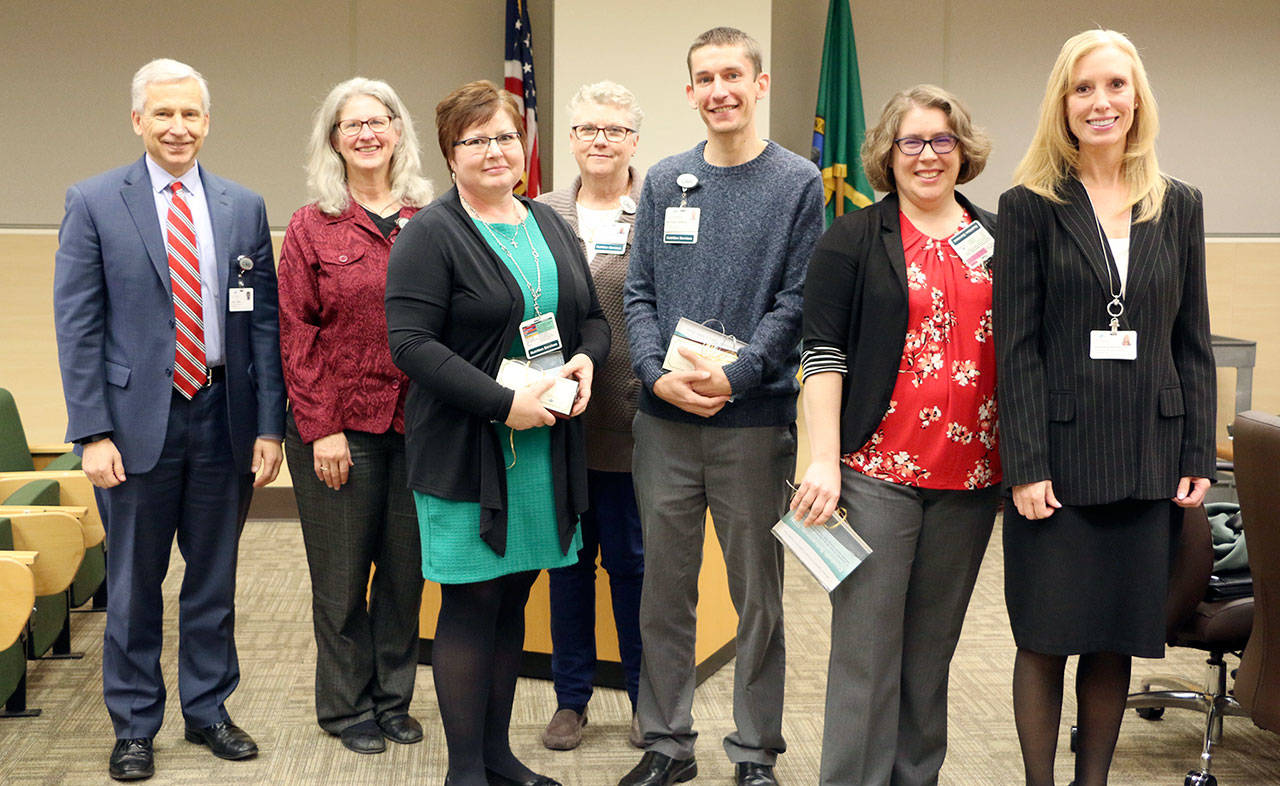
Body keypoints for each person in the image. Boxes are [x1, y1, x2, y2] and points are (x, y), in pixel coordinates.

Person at [52, 58, 285, 781]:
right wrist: (91, 431)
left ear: (207, 122)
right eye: (163, 114)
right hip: (131, 425)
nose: (178, 127)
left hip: (225, 416)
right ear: (138, 121)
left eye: (190, 114)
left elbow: (265, 324)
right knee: (132, 585)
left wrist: (270, 425)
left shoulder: (242, 206)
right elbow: (78, 325)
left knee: (212, 580)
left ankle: (209, 710)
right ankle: (134, 725)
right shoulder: (93, 201)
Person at [993, 29, 1215, 786]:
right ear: (1063, 102)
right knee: (1047, 636)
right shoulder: (1028, 205)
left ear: (1137, 98)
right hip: (1055, 464)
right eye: (1084, 88)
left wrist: (1195, 455)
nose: (1101, 102)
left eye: (1115, 86)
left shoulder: (1179, 204)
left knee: (1115, 638)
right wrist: (1024, 463)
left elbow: (1192, 342)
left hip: (1148, 458)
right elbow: (1015, 346)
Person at [385, 80, 610, 786]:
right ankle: (464, 772)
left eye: (505, 136)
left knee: (514, 598)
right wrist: (497, 403)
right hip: (467, 449)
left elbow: (592, 318)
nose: (494, 150)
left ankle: (498, 757)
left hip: (542, 447)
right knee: (471, 600)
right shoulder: (432, 232)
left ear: (524, 146)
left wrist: (587, 359)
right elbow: (411, 344)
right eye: (475, 140)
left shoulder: (546, 221)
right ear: (451, 154)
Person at [620, 27, 824, 786]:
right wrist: (651, 372)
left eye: (733, 75)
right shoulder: (666, 178)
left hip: (751, 423)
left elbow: (798, 300)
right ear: (691, 92)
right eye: (705, 79)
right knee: (663, 594)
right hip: (664, 424)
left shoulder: (798, 182)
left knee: (756, 600)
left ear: (760, 84)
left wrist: (737, 376)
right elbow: (638, 292)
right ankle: (667, 743)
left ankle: (755, 752)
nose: (719, 91)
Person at [791, 85, 999, 786]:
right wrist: (823, 460)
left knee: (930, 655)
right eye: (912, 141)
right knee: (866, 654)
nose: (929, 155)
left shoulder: (1000, 238)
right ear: (888, 152)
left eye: (943, 140)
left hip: (971, 481)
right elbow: (821, 352)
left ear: (963, 149)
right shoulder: (852, 237)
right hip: (877, 472)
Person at [277, 77, 433, 755]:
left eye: (378, 121)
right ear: (333, 141)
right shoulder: (313, 226)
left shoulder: (434, 218)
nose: (366, 134)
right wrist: (322, 428)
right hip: (341, 429)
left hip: (422, 428)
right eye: (351, 125)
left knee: (406, 574)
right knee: (342, 580)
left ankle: (392, 699)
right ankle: (346, 709)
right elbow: (296, 333)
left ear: (399, 131)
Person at [535, 80, 645, 752]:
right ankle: (570, 700)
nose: (599, 141)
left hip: (634, 427)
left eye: (613, 130)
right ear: (570, 139)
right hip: (558, 428)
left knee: (634, 568)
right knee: (569, 567)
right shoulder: (540, 212)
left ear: (635, 139)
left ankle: (644, 698)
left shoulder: (661, 207)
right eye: (586, 130)